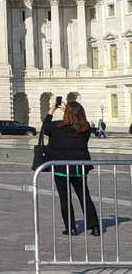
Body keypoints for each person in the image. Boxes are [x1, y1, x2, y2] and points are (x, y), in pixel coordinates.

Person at [42, 100, 100, 237]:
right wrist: (70, 112)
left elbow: (45, 127)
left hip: (61, 168)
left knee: (65, 198)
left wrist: (52, 110)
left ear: (66, 113)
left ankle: (71, 228)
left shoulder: (57, 127)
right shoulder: (85, 128)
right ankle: (95, 227)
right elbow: (75, 122)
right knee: (85, 197)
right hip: (80, 168)